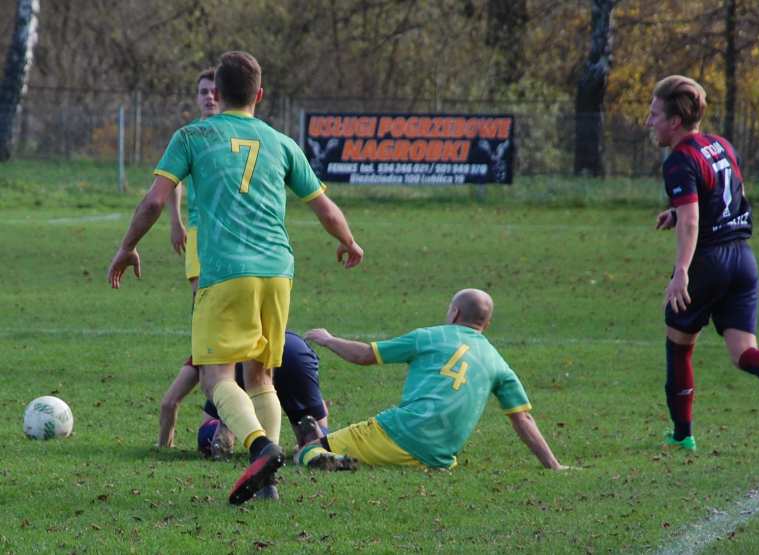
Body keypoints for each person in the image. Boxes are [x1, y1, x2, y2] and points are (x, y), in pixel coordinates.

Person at [107, 51, 363, 505]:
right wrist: (348, 241)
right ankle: (269, 485)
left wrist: (127, 247)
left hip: (225, 271)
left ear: (217, 94)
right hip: (278, 272)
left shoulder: (192, 136)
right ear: (259, 96)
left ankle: (261, 448)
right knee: (262, 374)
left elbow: (152, 202)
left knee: (217, 377)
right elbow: (324, 204)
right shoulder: (282, 143)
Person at [645, 75, 759, 451]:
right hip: (743, 258)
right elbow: (726, 196)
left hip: (708, 262)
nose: (648, 121)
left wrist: (681, 272)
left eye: (654, 114)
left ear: (675, 122)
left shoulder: (679, 160)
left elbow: (693, 221)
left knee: (679, 346)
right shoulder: (721, 145)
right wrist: (676, 213)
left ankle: (682, 435)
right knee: (743, 352)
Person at [297, 289, 566, 471]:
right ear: (487, 324)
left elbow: (365, 355)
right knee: (332, 441)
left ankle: (321, 448)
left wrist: (327, 339)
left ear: (455, 314)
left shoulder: (429, 336)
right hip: (437, 458)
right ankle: (325, 438)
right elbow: (523, 419)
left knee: (305, 453)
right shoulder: (498, 363)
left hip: (397, 432)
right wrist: (553, 465)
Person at [158, 331, 331, 457]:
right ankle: (311, 435)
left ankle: (224, 426)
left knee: (218, 405)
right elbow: (321, 407)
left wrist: (164, 445)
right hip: (294, 350)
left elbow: (170, 402)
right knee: (314, 423)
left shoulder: (211, 342)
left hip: (231, 357)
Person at [166, 67, 218, 301]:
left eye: (214, 92)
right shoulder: (189, 136)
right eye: (203, 92)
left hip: (234, 228)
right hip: (199, 226)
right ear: (197, 98)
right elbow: (172, 180)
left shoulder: (240, 133)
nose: (209, 97)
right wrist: (176, 221)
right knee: (201, 296)